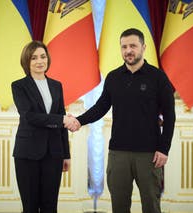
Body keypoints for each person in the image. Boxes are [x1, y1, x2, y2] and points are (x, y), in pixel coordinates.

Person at [65, 28, 176, 213]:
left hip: (149, 155)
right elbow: (101, 107)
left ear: (143, 47)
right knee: (119, 206)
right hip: (118, 153)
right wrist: (78, 121)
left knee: (151, 205)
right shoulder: (113, 77)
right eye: (124, 47)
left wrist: (164, 149)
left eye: (133, 46)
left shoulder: (158, 77)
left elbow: (170, 116)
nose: (128, 50)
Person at [11, 40, 76, 213]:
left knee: (50, 206)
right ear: (27, 61)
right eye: (34, 58)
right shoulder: (19, 86)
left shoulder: (56, 85)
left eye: (43, 56)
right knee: (30, 207)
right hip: (27, 154)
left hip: (53, 154)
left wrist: (66, 154)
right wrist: (62, 119)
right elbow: (29, 116)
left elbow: (61, 118)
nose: (40, 61)